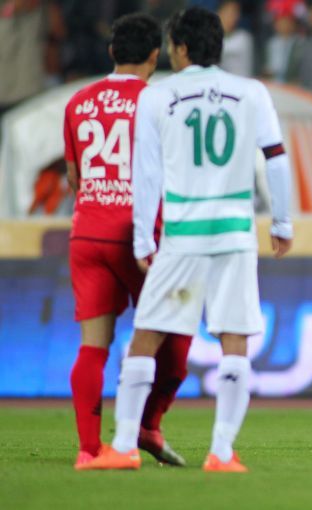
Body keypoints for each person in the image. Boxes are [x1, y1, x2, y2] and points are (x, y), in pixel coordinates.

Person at [80, 7, 293, 472]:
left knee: (146, 336)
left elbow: (146, 174)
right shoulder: (251, 92)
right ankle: (221, 452)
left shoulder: (157, 96)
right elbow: (276, 158)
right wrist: (282, 223)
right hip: (234, 233)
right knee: (234, 339)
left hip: (181, 235)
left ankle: (123, 446)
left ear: (179, 47)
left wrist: (143, 238)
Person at [63, 13, 193, 470]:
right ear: (156, 56)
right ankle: (147, 425)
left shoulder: (78, 102)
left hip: (88, 232)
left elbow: (75, 177)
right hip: (145, 237)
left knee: (92, 347)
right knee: (176, 343)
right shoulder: (159, 101)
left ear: (111, 52)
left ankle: (89, 450)